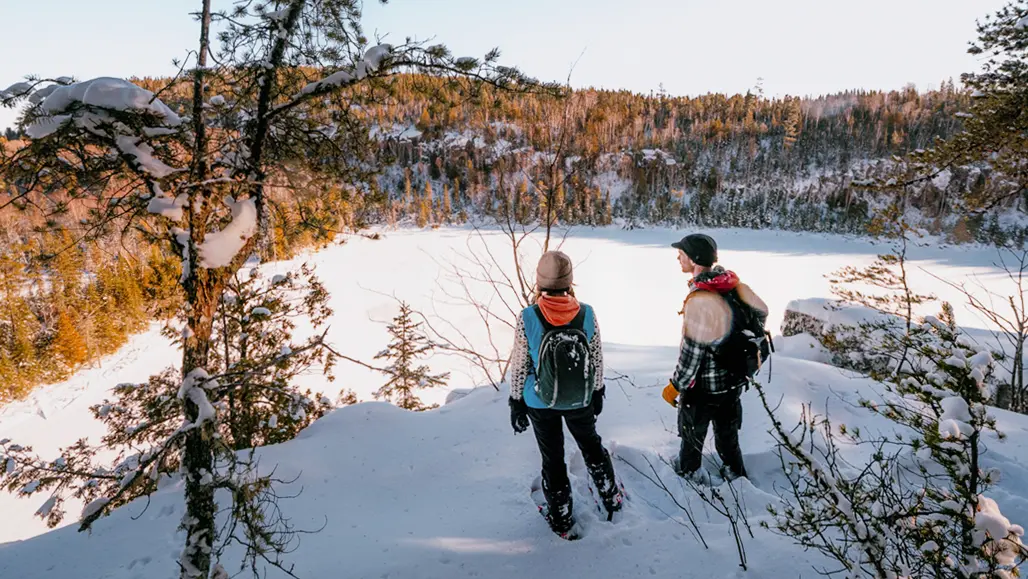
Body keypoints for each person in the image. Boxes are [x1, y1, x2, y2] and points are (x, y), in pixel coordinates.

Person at [508, 250, 622, 536]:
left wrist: (516, 401)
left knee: (553, 458)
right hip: (579, 397)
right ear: (570, 281)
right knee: (591, 444)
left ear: (540, 281)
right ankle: (611, 495)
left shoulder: (528, 316)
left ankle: (560, 518)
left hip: (540, 401)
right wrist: (596, 391)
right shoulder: (586, 312)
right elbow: (595, 357)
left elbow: (520, 364)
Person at [662, 233, 770, 481]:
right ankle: (738, 478)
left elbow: (692, 352)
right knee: (728, 438)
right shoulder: (733, 285)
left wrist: (675, 386)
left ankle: (689, 485)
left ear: (694, 258)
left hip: (703, 389)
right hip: (732, 381)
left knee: (692, 440)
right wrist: (736, 340)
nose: (678, 257)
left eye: (681, 253)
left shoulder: (699, 297)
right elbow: (763, 311)